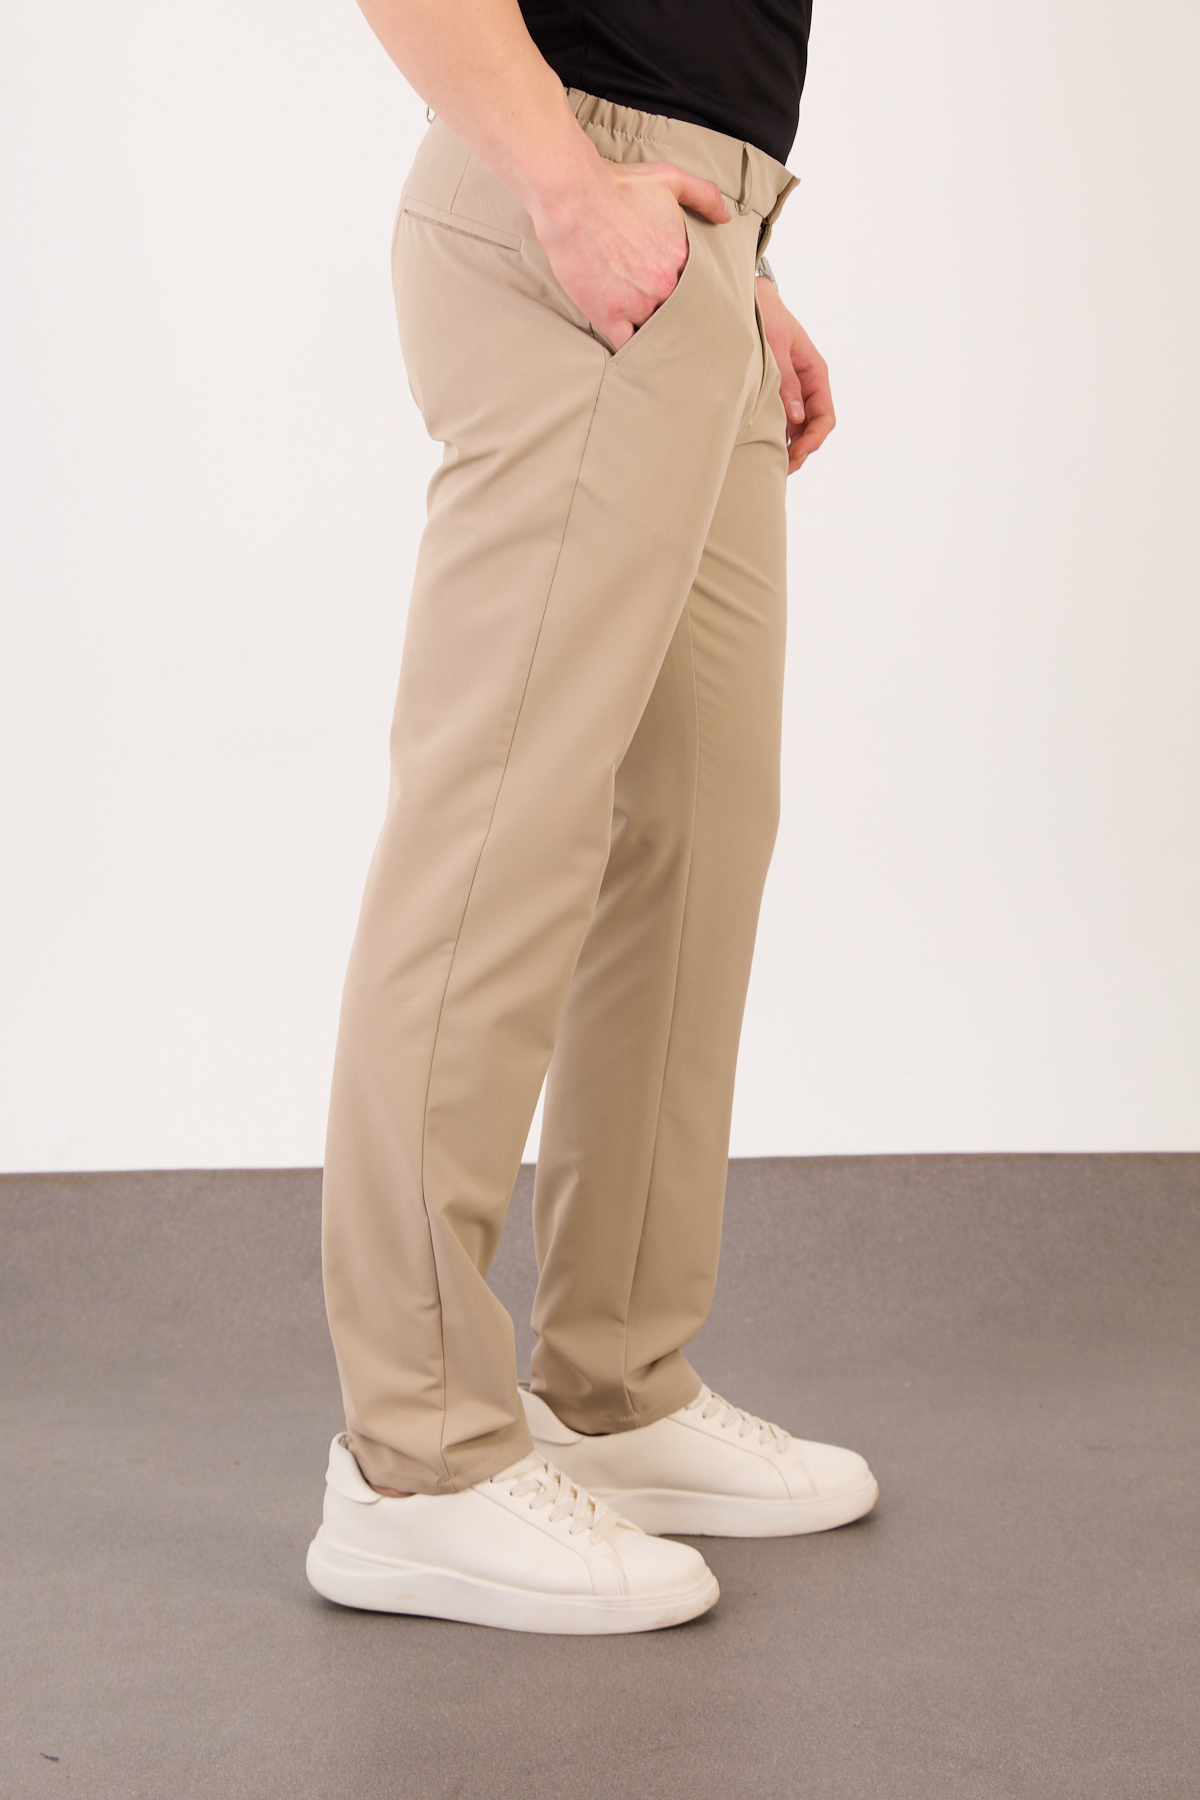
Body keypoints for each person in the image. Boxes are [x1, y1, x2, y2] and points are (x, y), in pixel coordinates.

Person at [306, 0, 878, 1635]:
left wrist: (746, 268)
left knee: (698, 828)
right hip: (574, 205)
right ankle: (416, 1457)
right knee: (497, 837)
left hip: (700, 239)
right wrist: (565, 181)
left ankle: (615, 1387)